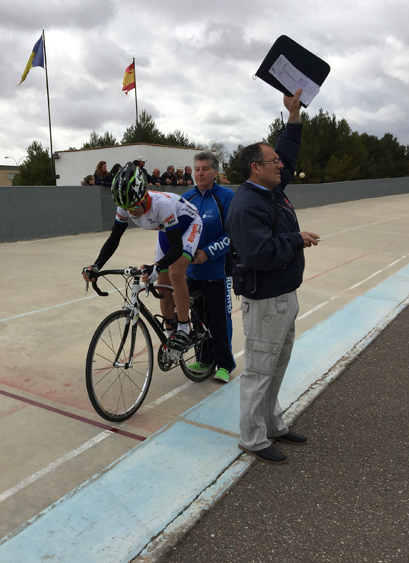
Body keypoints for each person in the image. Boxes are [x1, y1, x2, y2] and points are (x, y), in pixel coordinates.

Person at [226, 88, 320, 465]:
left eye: (279, 162)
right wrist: (296, 239)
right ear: (256, 168)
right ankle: (252, 437)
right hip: (266, 301)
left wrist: (293, 116)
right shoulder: (248, 203)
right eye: (274, 162)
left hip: (285, 294)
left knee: (276, 367)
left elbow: (289, 152)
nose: (281, 166)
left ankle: (271, 424)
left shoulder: (271, 189)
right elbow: (258, 253)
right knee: (259, 371)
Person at [83, 161, 203, 354]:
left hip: (188, 225)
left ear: (145, 195)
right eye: (126, 208)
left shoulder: (161, 205)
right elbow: (114, 239)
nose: (131, 212)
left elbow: (177, 247)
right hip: (166, 229)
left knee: (175, 272)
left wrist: (156, 266)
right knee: (161, 284)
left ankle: (183, 328)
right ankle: (170, 332)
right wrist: (96, 265)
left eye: (134, 206)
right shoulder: (125, 205)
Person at [181, 150, 236, 383]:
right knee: (198, 319)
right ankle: (203, 359)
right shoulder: (186, 198)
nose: (200, 173)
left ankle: (224, 364)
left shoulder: (226, 197)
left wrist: (208, 253)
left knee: (219, 318)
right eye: (196, 169)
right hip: (192, 272)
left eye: (205, 169)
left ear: (215, 172)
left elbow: (232, 235)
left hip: (218, 271)